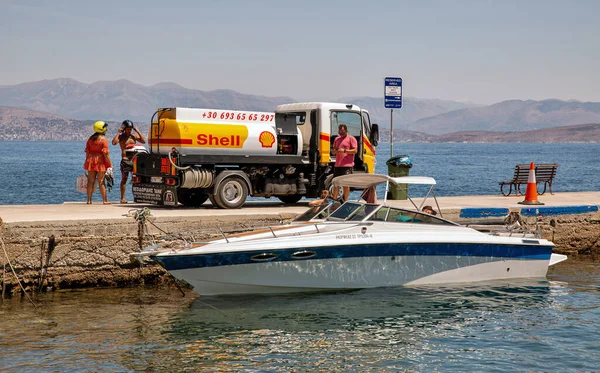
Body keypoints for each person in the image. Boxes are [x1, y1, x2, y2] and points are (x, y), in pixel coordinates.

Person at [112, 119, 146, 203]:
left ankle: (137, 197)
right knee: (124, 179)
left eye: (130, 129)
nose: (129, 130)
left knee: (136, 179)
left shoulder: (133, 136)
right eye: (128, 129)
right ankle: (122, 198)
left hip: (134, 160)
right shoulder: (121, 137)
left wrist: (137, 130)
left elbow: (144, 141)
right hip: (125, 160)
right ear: (124, 129)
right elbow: (114, 142)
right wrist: (118, 132)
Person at [84, 121, 112, 204]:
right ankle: (105, 200)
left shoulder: (90, 139)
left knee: (90, 181)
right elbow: (105, 153)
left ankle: (89, 200)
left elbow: (87, 152)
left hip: (90, 161)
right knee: (101, 181)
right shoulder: (104, 140)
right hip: (100, 161)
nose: (106, 130)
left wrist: (87, 161)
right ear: (102, 129)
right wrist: (110, 164)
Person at [331, 124, 357, 202]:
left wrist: (345, 151)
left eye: (342, 131)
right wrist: (334, 151)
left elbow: (355, 151)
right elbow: (334, 150)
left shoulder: (351, 139)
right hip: (338, 165)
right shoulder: (337, 139)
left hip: (347, 165)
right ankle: (334, 201)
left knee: (346, 184)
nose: (341, 133)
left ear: (346, 131)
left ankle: (345, 200)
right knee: (336, 184)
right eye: (339, 131)